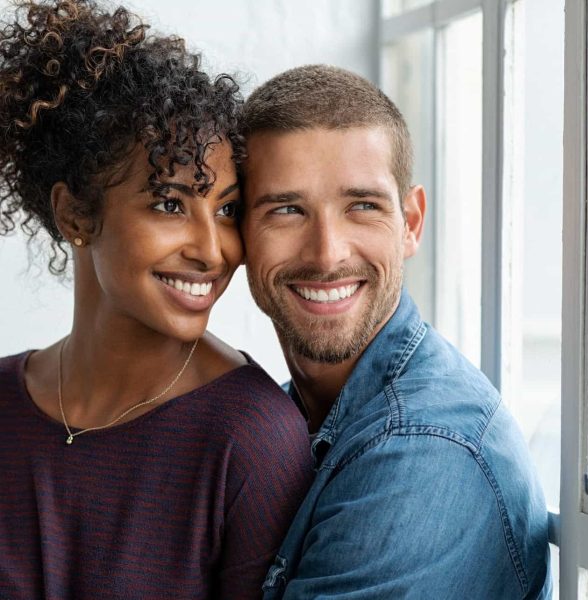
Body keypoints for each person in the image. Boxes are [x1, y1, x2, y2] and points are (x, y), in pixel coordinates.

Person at [0, 2, 313, 598]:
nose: (212, 249)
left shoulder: (252, 442)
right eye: (170, 204)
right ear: (76, 213)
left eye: (224, 209)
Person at [240, 65, 552, 599]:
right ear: (237, 229)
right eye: (287, 210)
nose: (327, 253)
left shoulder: (424, 451)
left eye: (363, 206)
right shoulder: (291, 414)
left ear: (410, 221)